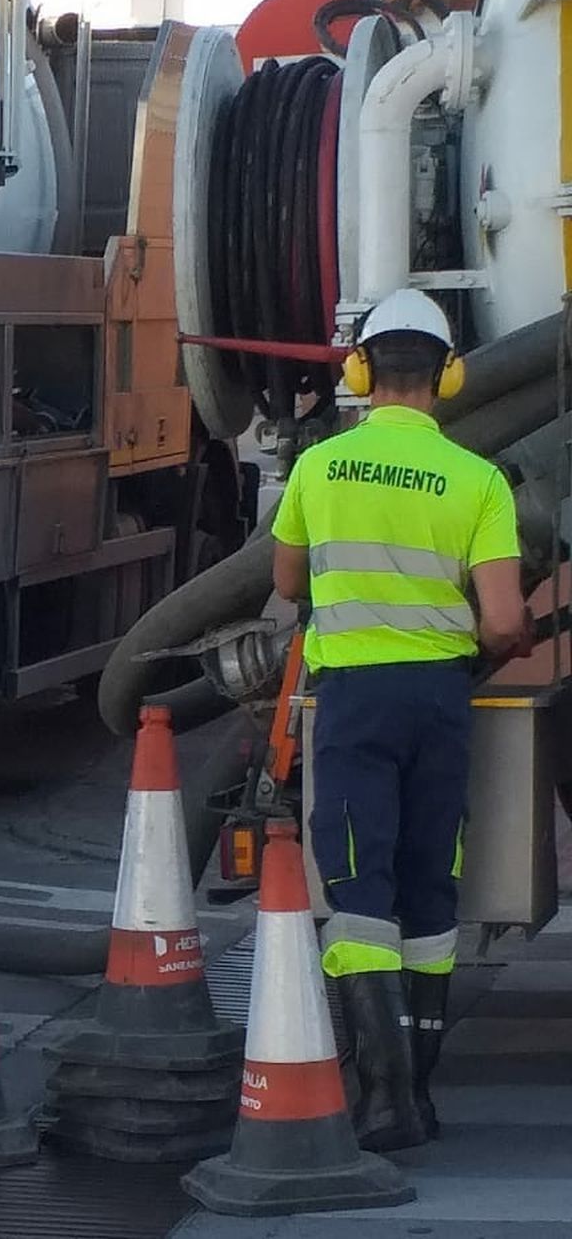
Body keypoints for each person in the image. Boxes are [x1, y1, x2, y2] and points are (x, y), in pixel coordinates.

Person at [272, 288, 526, 1148]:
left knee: (357, 889)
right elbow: (501, 622)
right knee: (429, 888)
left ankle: (381, 1099)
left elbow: (285, 582)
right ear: (449, 374)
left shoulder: (318, 468)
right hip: (440, 700)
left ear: (360, 369)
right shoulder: (481, 481)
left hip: (353, 702)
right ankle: (419, 1090)